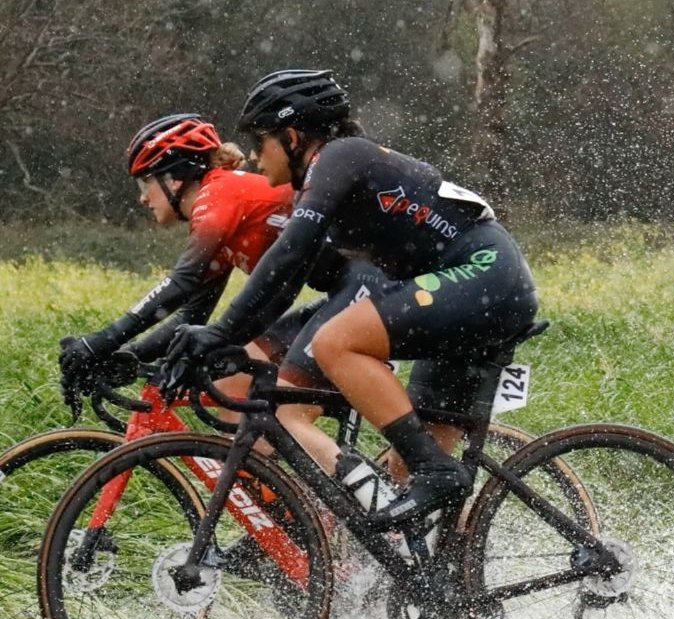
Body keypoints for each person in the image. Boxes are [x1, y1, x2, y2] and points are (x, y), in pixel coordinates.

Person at [164, 70, 539, 530]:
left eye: (260, 143)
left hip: (484, 276)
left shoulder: (340, 157)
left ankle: (438, 471)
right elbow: (282, 286)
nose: (255, 158)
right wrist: (225, 340)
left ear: (293, 136)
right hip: (470, 294)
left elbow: (289, 251)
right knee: (404, 480)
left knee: (335, 341)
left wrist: (220, 332)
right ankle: (453, 592)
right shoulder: (329, 175)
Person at [58, 113, 296, 412]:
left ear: (174, 178)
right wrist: (131, 355)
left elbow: (180, 283)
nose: (143, 199)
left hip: (354, 294)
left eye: (145, 184)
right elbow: (192, 315)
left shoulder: (218, 193)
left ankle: (340, 461)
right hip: (336, 296)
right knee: (235, 393)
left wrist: (99, 342)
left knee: (287, 415)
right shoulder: (220, 209)